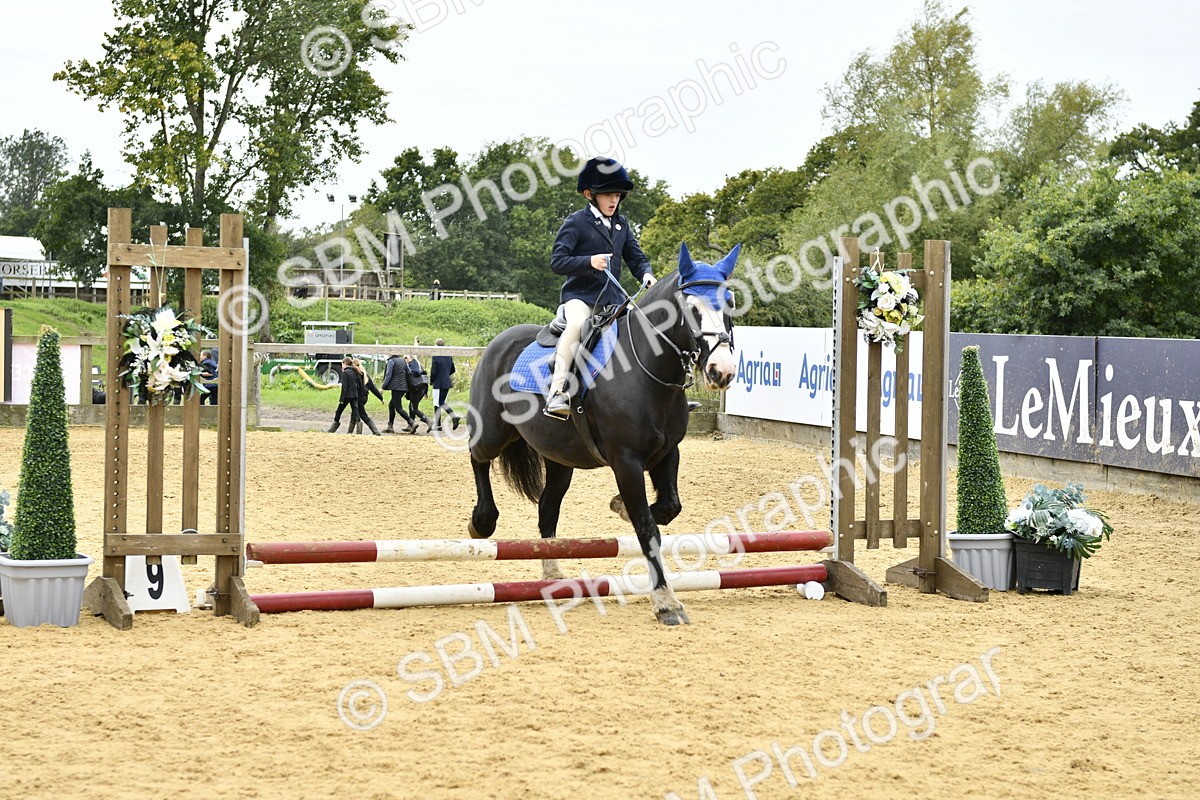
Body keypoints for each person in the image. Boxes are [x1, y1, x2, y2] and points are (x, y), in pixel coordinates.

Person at [545, 156, 655, 418]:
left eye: (617, 195)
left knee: (646, 330)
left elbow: (635, 256)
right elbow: (558, 261)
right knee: (576, 326)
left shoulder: (622, 224)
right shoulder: (576, 222)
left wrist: (647, 274)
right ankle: (557, 392)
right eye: (608, 195)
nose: (614, 200)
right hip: (580, 299)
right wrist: (589, 261)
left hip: (613, 302)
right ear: (589, 195)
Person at [429, 338, 461, 432]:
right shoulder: (448, 356)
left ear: (436, 345)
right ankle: (439, 424)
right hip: (447, 382)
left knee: (438, 403)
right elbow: (453, 369)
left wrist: (431, 381)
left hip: (438, 382)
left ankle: (452, 417)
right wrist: (446, 374)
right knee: (441, 402)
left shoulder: (435, 356)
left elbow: (433, 371)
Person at [380, 352, 414, 433]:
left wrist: (382, 387)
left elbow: (388, 375)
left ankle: (411, 422)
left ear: (391, 354)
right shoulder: (402, 360)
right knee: (391, 406)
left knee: (398, 408)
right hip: (403, 387)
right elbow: (409, 373)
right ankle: (390, 426)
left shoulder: (391, 361)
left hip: (396, 387)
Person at [353, 358, 384, 436]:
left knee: (362, 414)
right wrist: (380, 397)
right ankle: (351, 431)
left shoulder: (356, 375)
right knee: (355, 412)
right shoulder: (365, 374)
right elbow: (373, 388)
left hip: (359, 398)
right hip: (364, 397)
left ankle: (375, 431)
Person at [328, 356, 360, 433]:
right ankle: (359, 429)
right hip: (355, 395)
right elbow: (357, 384)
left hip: (347, 396)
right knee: (355, 413)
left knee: (338, 411)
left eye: (342, 364)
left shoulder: (345, 372)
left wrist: (341, 399)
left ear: (345, 363)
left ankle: (333, 428)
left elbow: (344, 386)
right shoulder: (355, 371)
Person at [404, 354, 432, 433]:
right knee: (411, 406)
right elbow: (424, 376)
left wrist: (408, 374)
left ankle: (429, 422)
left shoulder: (413, 364)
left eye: (404, 357)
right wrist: (426, 391)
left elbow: (416, 373)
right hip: (421, 388)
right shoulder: (418, 364)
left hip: (416, 389)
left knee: (414, 409)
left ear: (408, 357)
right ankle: (411, 425)